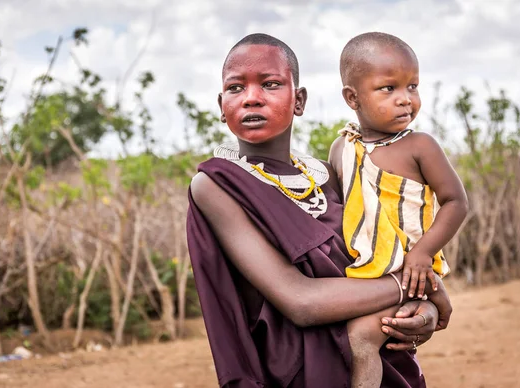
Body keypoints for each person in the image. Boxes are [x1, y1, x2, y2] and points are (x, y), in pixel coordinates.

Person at [187, 33, 452, 388]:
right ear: (221, 105)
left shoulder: (332, 173)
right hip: (299, 375)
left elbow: (385, 259)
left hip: (381, 364)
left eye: (270, 84)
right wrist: (422, 288)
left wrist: (423, 312)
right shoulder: (216, 185)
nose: (251, 98)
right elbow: (301, 301)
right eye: (236, 88)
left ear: (299, 101)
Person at [328, 32, 468, 387]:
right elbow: (336, 212)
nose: (406, 99)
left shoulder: (420, 146)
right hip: (362, 276)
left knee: (362, 338)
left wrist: (423, 253)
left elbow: (456, 201)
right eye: (388, 88)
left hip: (412, 273)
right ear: (352, 97)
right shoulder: (340, 150)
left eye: (413, 86)